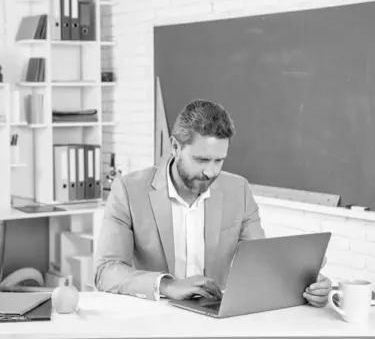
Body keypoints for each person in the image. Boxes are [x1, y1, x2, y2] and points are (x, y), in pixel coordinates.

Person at [93, 99, 331, 307]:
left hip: (216, 317)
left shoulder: (238, 190)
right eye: (201, 159)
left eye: (219, 160)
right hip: (155, 314)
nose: (210, 172)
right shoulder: (129, 190)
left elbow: (260, 264)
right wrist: (168, 285)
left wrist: (307, 285)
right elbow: (106, 271)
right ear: (175, 147)